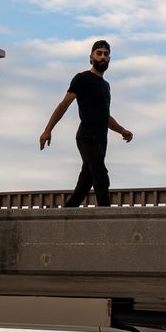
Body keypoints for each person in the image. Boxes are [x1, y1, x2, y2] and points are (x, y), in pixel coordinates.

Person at [39, 40, 134, 207]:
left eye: (106, 54)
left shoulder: (106, 86)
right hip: (86, 137)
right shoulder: (82, 79)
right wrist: (48, 130)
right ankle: (107, 217)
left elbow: (105, 116)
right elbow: (64, 104)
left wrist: (122, 130)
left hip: (102, 139)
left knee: (85, 182)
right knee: (101, 176)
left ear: (110, 59)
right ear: (91, 58)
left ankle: (67, 213)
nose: (103, 57)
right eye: (99, 53)